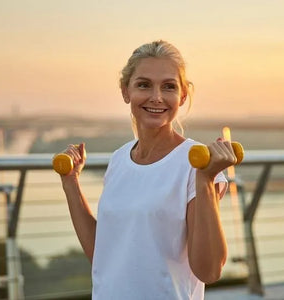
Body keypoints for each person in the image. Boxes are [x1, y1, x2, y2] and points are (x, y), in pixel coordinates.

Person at [60, 40, 237, 300]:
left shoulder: (198, 163)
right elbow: (103, 254)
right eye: (144, 85)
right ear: (125, 91)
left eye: (169, 87)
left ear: (183, 95)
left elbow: (209, 271)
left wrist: (206, 179)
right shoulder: (119, 159)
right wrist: (70, 182)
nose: (156, 97)